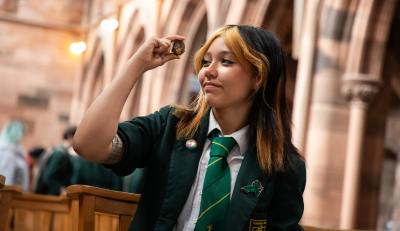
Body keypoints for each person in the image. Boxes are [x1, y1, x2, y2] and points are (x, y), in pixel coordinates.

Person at [73, 25, 306, 231]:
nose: (208, 71)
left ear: (259, 77)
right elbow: (88, 145)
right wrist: (136, 66)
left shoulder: (284, 167)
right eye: (206, 61)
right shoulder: (171, 125)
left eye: (226, 61)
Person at [0, 120, 29, 193]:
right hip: (10, 198)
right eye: (23, 134)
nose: (24, 137)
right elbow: (6, 183)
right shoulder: (8, 154)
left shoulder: (14, 152)